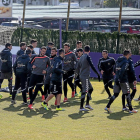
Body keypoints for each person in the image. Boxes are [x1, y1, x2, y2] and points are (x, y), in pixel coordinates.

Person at [75, 45, 100, 111]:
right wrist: (98, 74)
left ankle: (87, 104)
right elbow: (92, 66)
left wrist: (76, 76)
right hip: (85, 76)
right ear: (89, 51)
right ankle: (81, 107)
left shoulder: (81, 57)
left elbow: (77, 67)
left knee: (90, 89)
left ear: (83, 50)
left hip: (82, 76)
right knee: (85, 91)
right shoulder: (87, 57)